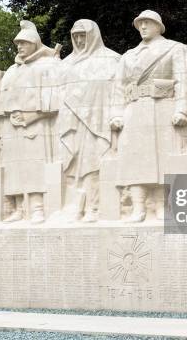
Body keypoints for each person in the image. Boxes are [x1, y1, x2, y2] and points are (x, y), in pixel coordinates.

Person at [110, 10, 187, 222]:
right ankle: (139, 208)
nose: (143, 27)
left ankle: (162, 206)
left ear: (158, 26)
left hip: (162, 107)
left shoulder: (174, 49)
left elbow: (182, 80)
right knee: (135, 160)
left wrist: (181, 109)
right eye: (140, 24)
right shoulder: (128, 56)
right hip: (134, 110)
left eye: (148, 23)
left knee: (162, 159)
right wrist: (116, 115)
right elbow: (118, 88)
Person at [0, 20, 62, 224]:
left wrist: (31, 117)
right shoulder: (11, 71)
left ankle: (37, 208)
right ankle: (17, 208)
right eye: (18, 44)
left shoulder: (48, 65)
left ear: (34, 43)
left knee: (35, 167)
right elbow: (0, 106)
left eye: (24, 43)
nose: (20, 47)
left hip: (36, 124)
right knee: (14, 169)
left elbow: (54, 101)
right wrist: (0, 131)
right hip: (10, 126)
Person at [57, 19, 120, 222]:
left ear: (93, 36)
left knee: (92, 164)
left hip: (97, 123)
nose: (79, 39)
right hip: (70, 124)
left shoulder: (112, 60)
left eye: (83, 35)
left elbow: (119, 91)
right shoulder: (65, 65)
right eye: (75, 36)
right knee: (71, 165)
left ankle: (94, 208)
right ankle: (74, 207)